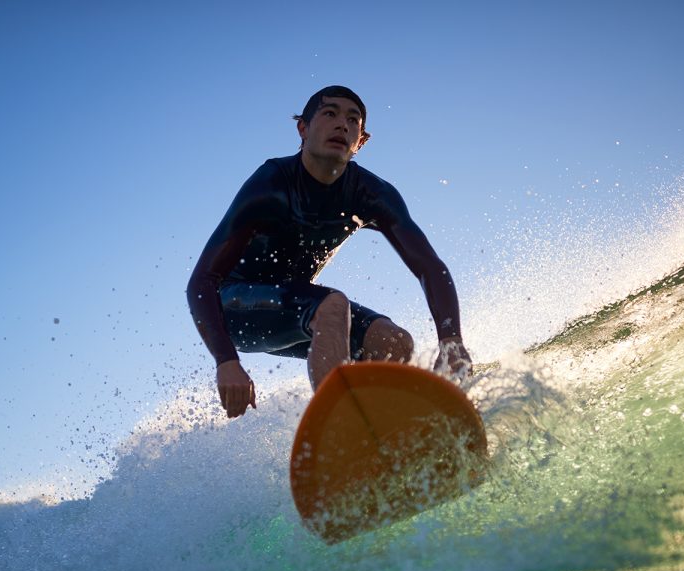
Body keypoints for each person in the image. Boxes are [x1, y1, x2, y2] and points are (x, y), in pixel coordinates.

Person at [186, 85, 471, 418]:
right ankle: (341, 421)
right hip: (233, 310)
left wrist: (451, 342)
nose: (342, 125)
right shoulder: (271, 183)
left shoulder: (372, 195)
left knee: (395, 344)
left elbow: (428, 265)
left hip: (301, 314)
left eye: (353, 120)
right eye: (330, 113)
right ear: (303, 129)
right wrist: (226, 361)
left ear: (360, 141)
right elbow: (202, 281)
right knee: (332, 304)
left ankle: (384, 425)